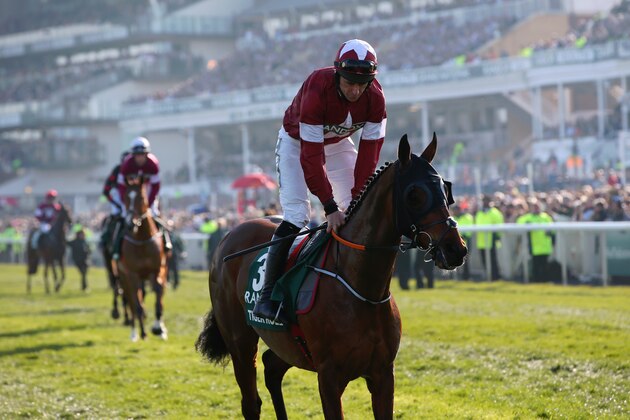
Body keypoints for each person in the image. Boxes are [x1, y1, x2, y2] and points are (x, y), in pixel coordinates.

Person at [253, 39, 387, 323]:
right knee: (298, 215)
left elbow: (369, 157)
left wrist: (354, 199)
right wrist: (329, 207)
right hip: (296, 142)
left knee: (356, 209)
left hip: (338, 143)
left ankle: (352, 287)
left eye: (361, 85)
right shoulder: (317, 87)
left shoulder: (376, 99)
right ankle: (266, 298)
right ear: (338, 73)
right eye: (349, 82)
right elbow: (311, 159)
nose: (354, 90)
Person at [112, 136, 171, 260]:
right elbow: (121, 187)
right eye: (137, 155)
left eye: (142, 154)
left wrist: (148, 204)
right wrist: (126, 203)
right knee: (123, 217)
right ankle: (117, 249)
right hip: (130, 195)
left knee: (155, 214)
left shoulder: (153, 164)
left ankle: (166, 243)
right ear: (133, 155)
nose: (140, 157)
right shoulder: (127, 165)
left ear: (147, 154)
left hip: (147, 192)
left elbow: (156, 186)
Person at [516, 198, 555, 282]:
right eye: (534, 207)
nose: (536, 208)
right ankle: (536, 280)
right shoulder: (527, 218)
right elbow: (519, 223)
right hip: (534, 246)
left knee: (544, 265)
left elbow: (552, 230)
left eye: (537, 206)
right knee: (535, 265)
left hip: (545, 246)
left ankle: (545, 280)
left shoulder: (546, 217)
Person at [100, 150, 130, 256]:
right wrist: (116, 204)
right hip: (118, 199)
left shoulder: (137, 170)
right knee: (115, 218)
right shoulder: (117, 170)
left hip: (134, 198)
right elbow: (106, 190)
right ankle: (108, 241)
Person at [474, 194, 504, 281]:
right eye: (484, 201)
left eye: (487, 201)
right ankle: (488, 276)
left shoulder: (495, 212)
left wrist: (497, 237)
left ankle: (496, 277)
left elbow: (499, 226)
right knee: (484, 261)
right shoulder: (479, 213)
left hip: (492, 241)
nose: (485, 202)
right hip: (481, 242)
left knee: (493, 260)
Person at [166, 220, 185, 289]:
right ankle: (167, 281)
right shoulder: (165, 235)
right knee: (166, 269)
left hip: (174, 255)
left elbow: (180, 244)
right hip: (166, 255)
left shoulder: (176, 235)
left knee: (175, 269)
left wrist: (182, 252)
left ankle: (176, 283)